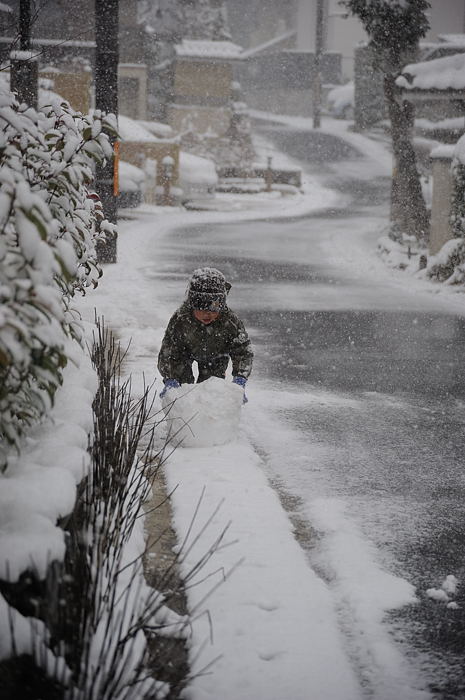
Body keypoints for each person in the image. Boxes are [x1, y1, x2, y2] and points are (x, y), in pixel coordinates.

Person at [158, 267, 253, 400]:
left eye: (214, 308)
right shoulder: (181, 319)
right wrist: (171, 378)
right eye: (202, 308)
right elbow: (169, 351)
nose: (207, 314)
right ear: (192, 303)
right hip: (184, 354)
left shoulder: (230, 321)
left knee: (211, 392)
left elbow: (243, 352)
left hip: (216, 356)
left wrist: (240, 379)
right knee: (183, 392)